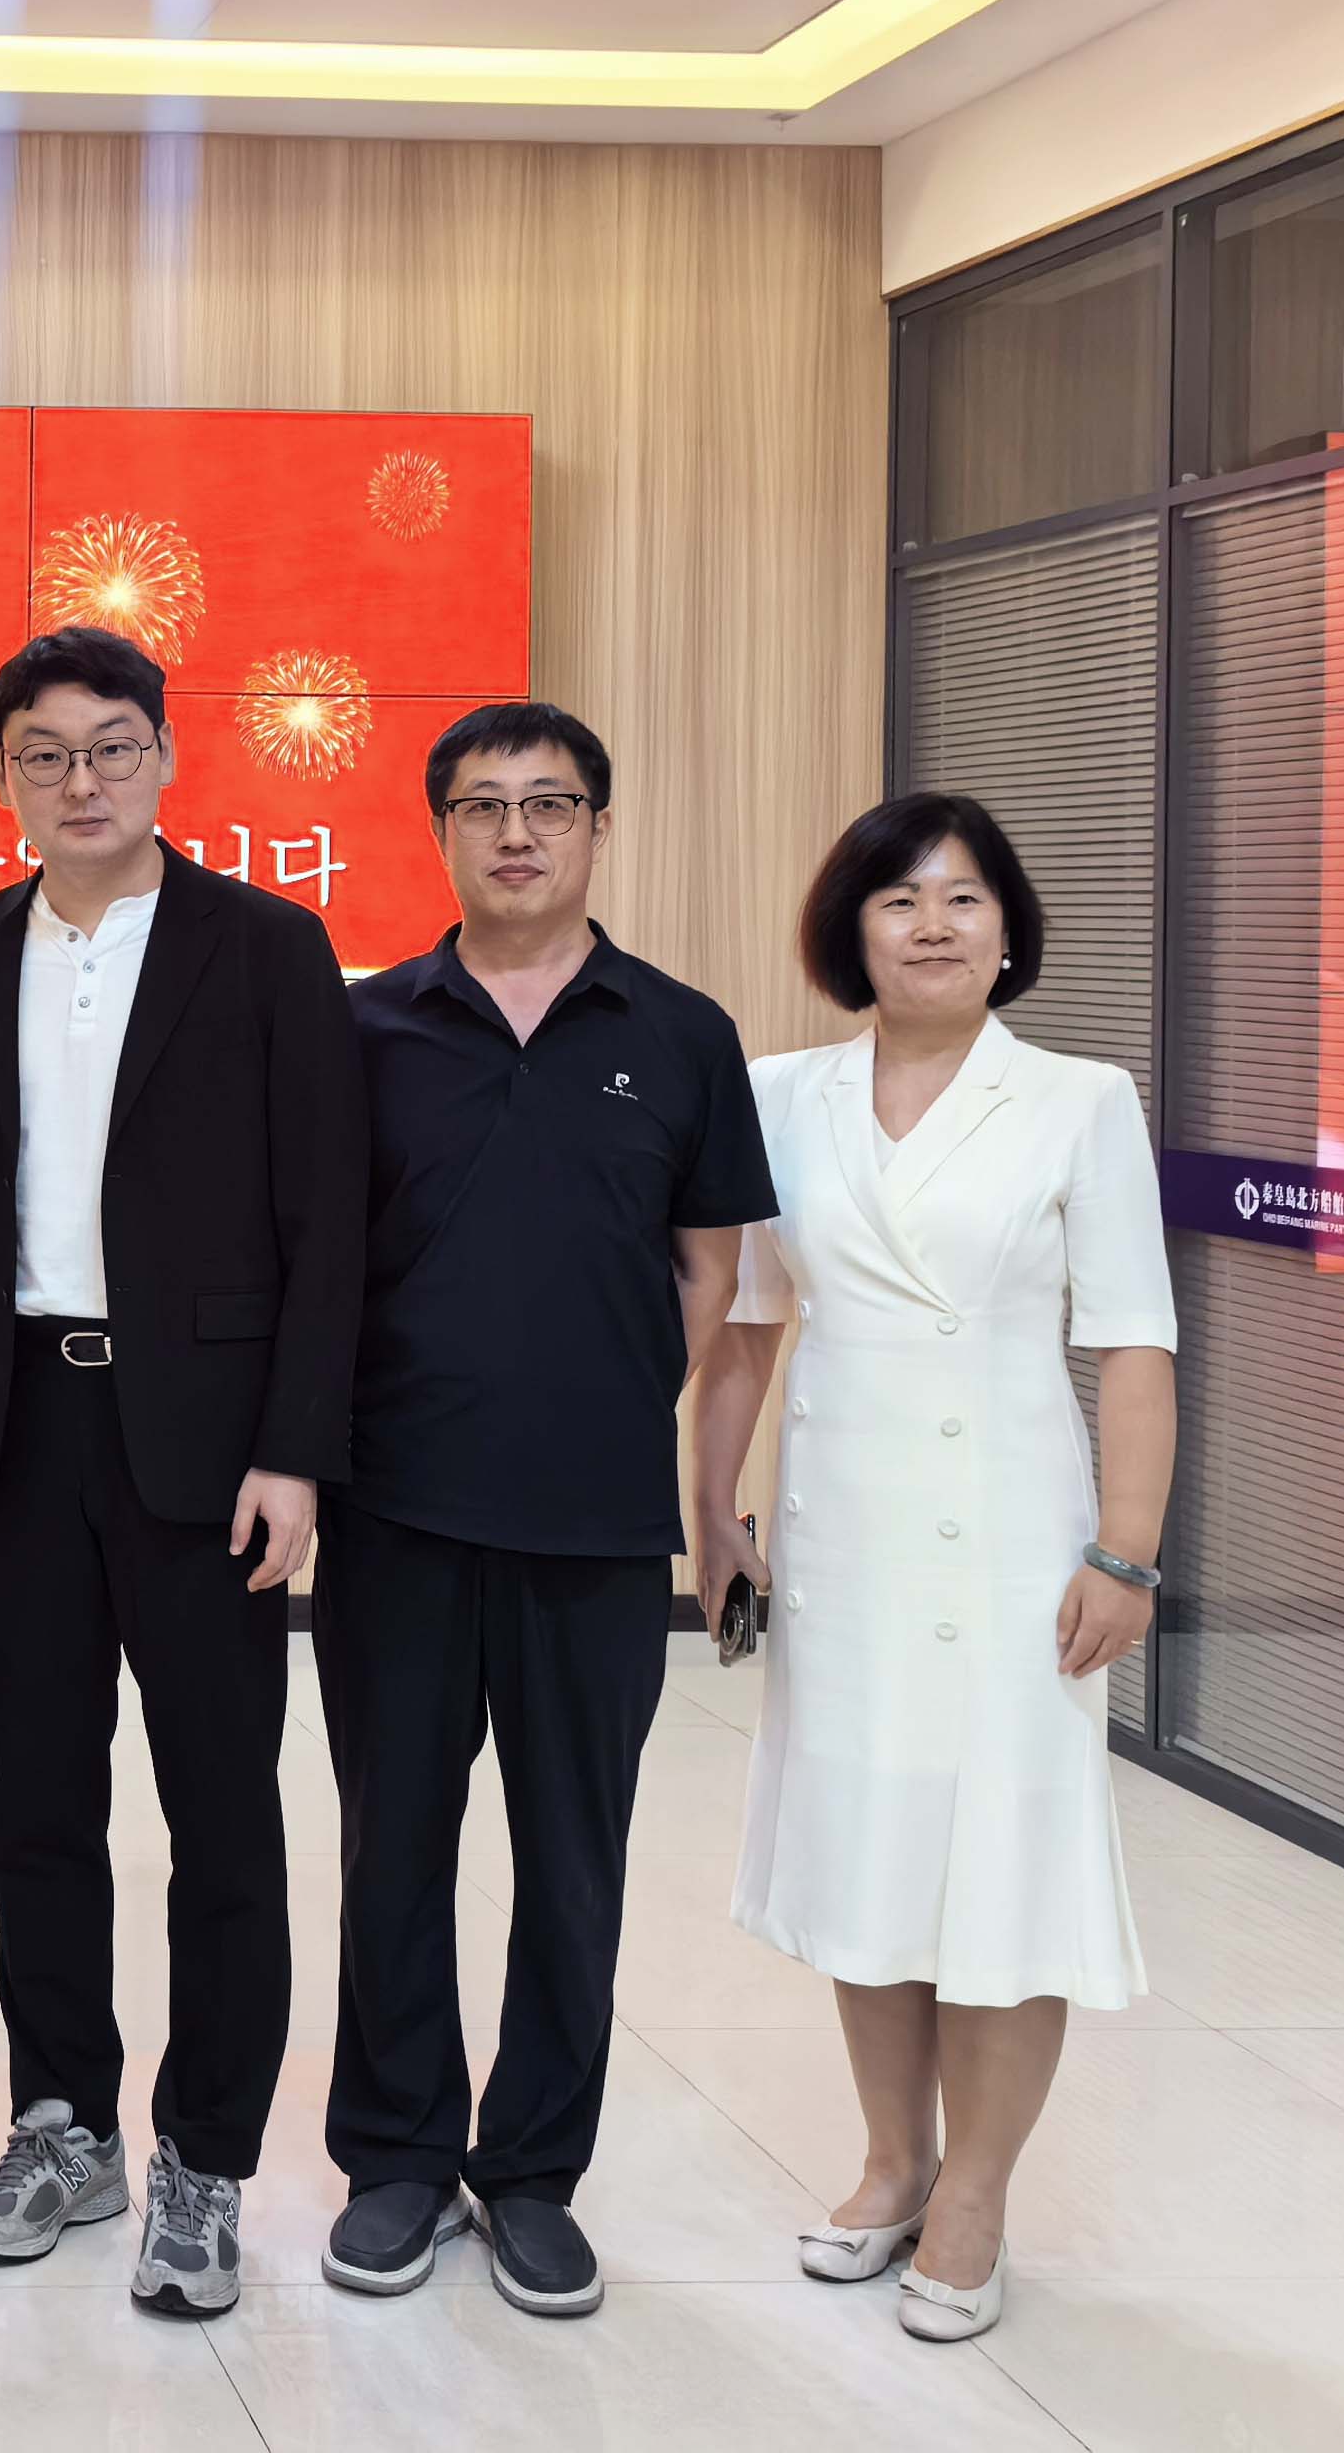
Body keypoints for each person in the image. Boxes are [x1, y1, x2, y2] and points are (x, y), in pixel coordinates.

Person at [0, 624, 366, 2320]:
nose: (80, 781)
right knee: (41, 1804)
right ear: (4, 777)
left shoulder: (266, 945)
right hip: (29, 1427)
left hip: (207, 1444)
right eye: (43, 755)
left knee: (221, 1816)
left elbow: (327, 1219)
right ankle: (64, 2128)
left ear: (165, 759)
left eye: (111, 747)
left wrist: (294, 1452)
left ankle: (206, 2158)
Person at [690, 792, 1174, 2346]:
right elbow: (747, 1329)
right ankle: (894, 2162)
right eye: (899, 899)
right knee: (872, 1851)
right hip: (845, 1531)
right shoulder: (782, 1097)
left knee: (1004, 1862)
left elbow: (1135, 1344)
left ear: (1009, 930)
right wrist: (713, 1513)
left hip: (1017, 1534)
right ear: (853, 932)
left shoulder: (1078, 1100)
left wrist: (1127, 1552)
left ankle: (977, 2195)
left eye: (965, 898)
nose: (934, 925)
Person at [310, 704, 773, 2320]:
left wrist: (620, 1417)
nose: (517, 832)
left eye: (551, 804)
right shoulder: (364, 1029)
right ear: (440, 829)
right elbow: (317, 1267)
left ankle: (530, 2175)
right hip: (396, 1509)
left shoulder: (684, 1032)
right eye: (485, 805)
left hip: (594, 1520)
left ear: (597, 828)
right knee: (394, 1846)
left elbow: (711, 1273)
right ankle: (394, 2155)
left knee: (576, 1859)